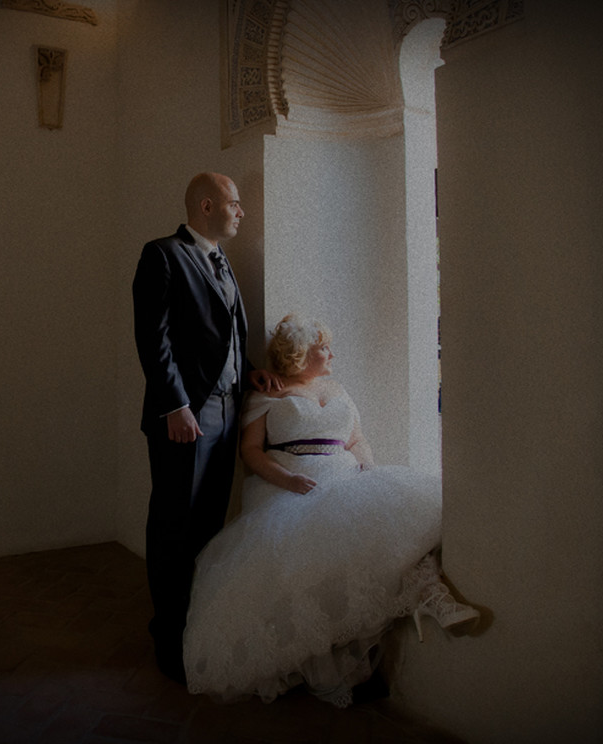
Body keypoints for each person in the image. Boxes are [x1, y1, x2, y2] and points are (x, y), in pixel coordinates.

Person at [182, 314, 479, 707]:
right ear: (301, 354)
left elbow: (357, 439)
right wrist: (286, 480)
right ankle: (327, 663)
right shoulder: (267, 393)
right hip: (291, 486)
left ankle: (433, 598)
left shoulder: (337, 388)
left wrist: (370, 472)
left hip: (345, 477)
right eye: (325, 347)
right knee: (311, 557)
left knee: (395, 517)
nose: (332, 353)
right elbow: (251, 452)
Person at [132, 172, 279, 683]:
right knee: (174, 524)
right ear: (208, 204)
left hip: (227, 411)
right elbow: (155, 338)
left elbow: (224, 335)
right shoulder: (163, 254)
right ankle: (167, 637)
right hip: (186, 417)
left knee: (208, 524)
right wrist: (175, 405)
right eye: (236, 204)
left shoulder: (221, 260)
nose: (242, 212)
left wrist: (252, 370)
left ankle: (197, 624)